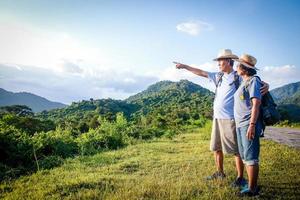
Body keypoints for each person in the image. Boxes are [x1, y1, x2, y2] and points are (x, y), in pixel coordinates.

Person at [175, 49, 268, 187]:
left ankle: (240, 177)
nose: (218, 63)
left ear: (229, 62)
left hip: (231, 119)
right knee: (216, 147)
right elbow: (200, 72)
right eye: (218, 60)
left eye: (221, 60)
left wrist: (266, 85)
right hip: (217, 118)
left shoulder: (238, 75)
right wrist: (185, 66)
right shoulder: (218, 76)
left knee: (236, 150)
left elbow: (253, 80)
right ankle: (220, 172)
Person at [233, 54, 262, 196]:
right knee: (245, 156)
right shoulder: (244, 81)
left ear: (244, 69)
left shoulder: (253, 81)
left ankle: (253, 188)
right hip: (240, 125)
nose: (236, 67)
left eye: (238, 65)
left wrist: (252, 124)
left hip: (247, 124)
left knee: (251, 157)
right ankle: (251, 185)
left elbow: (256, 103)